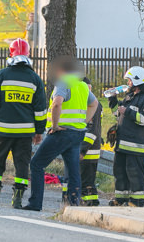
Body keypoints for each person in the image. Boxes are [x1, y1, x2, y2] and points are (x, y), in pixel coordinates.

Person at [0, 38, 47, 208]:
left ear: (10, 54)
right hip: (25, 133)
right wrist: (39, 131)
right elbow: (40, 110)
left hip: (3, 130)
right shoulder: (35, 79)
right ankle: (17, 200)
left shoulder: (2, 75)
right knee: (22, 165)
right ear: (28, 55)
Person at [24, 59, 99, 211]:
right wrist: (84, 121)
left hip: (62, 132)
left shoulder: (63, 83)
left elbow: (57, 103)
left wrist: (54, 125)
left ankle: (35, 203)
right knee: (73, 170)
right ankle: (72, 205)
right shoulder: (83, 85)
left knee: (37, 164)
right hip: (78, 133)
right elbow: (95, 103)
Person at [109, 66, 144, 206]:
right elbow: (117, 113)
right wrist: (113, 100)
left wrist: (127, 111)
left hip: (135, 146)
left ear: (136, 81)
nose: (128, 83)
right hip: (122, 144)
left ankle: (137, 200)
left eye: (129, 81)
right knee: (120, 172)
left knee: (135, 174)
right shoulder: (129, 97)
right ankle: (121, 198)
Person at [79, 76, 102, 206]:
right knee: (88, 179)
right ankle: (92, 200)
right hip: (91, 148)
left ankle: (89, 203)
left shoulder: (92, 104)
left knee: (86, 179)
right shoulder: (93, 102)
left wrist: (82, 149)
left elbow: (92, 130)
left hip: (89, 149)